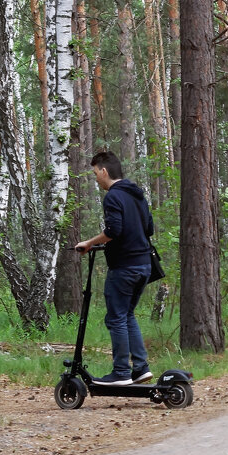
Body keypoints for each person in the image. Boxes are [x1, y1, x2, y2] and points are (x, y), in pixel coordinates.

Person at [74, 152, 154, 386]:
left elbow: (113, 231)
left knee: (116, 318)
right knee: (127, 315)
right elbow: (149, 228)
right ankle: (140, 368)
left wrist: (89, 243)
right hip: (144, 266)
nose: (96, 178)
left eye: (95, 173)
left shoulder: (113, 196)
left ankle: (121, 372)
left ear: (104, 171)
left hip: (125, 268)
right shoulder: (137, 194)